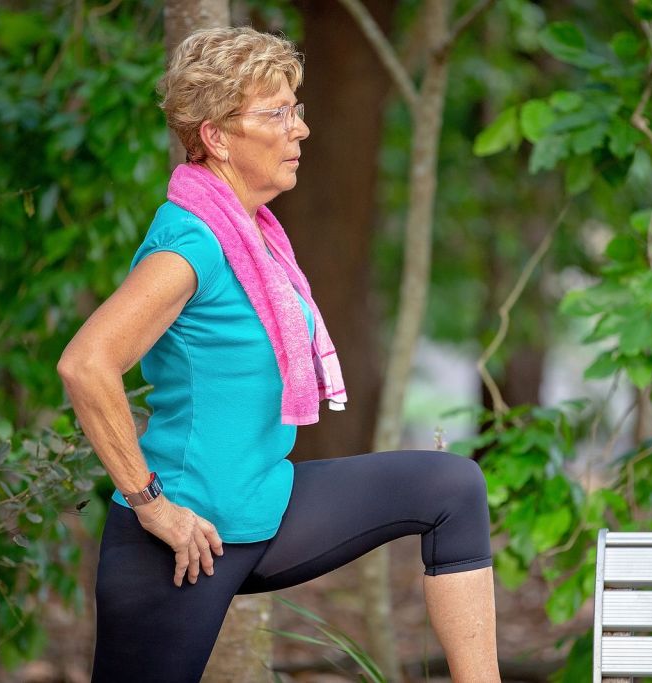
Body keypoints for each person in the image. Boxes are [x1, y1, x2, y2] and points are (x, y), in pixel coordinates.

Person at [57, 26, 500, 683]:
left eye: (295, 108)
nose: (301, 129)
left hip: (267, 503)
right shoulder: (193, 244)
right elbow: (85, 363)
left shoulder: (253, 234)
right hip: (184, 542)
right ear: (216, 136)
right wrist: (152, 503)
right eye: (277, 113)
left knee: (452, 486)